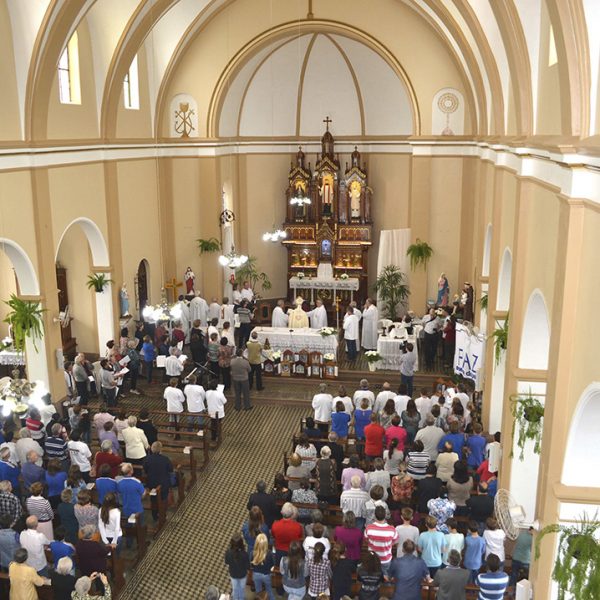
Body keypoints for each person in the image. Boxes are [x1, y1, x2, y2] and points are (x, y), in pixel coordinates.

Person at [364, 505, 398, 576]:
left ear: (375, 516)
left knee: (372, 577)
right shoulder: (392, 529)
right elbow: (394, 541)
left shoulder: (369, 528)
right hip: (385, 559)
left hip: (372, 559)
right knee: (386, 577)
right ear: (385, 516)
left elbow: (366, 540)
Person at [144, 441, 173, 521]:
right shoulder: (165, 459)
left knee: (153, 500)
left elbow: (145, 470)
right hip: (163, 483)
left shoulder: (147, 459)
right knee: (163, 499)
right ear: (161, 450)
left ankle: (154, 516)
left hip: (152, 483)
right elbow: (171, 469)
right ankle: (163, 514)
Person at [225, 533, 249, 600]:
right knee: (242, 589)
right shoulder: (245, 554)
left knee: (235, 589)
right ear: (241, 543)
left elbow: (226, 562)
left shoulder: (228, 552)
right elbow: (248, 566)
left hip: (233, 574)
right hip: (242, 575)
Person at [250, 533, 275, 600]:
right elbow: (273, 564)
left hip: (256, 574)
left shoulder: (252, 553)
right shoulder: (269, 554)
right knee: (269, 591)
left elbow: (251, 565)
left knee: (258, 592)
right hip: (266, 575)